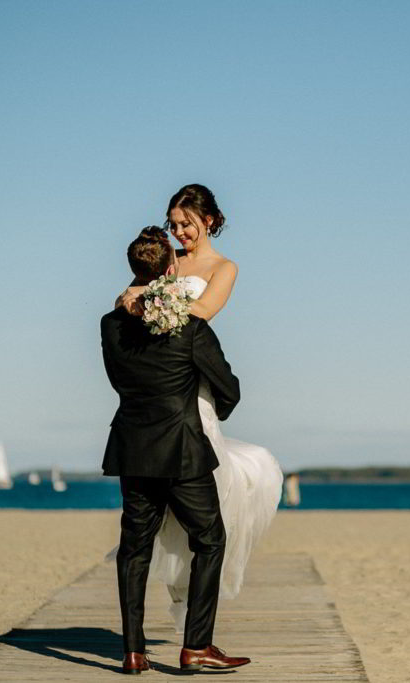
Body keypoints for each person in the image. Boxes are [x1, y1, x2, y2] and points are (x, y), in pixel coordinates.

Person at [118, 185, 283, 631]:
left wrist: (155, 304)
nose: (179, 232)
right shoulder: (163, 259)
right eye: (173, 224)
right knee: (163, 512)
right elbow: (124, 299)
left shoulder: (223, 268)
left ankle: (196, 616)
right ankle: (186, 617)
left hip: (192, 384)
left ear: (208, 220)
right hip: (157, 386)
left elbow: (202, 312)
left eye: (186, 224)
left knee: (205, 503)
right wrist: (133, 299)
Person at [101, 230, 250, 673]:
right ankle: (196, 646)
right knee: (210, 539)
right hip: (184, 449)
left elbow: (118, 380)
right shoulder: (190, 326)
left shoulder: (110, 324)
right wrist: (209, 410)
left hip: (133, 447)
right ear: (171, 270)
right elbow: (229, 389)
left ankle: (133, 651)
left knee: (134, 548)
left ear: (133, 270)